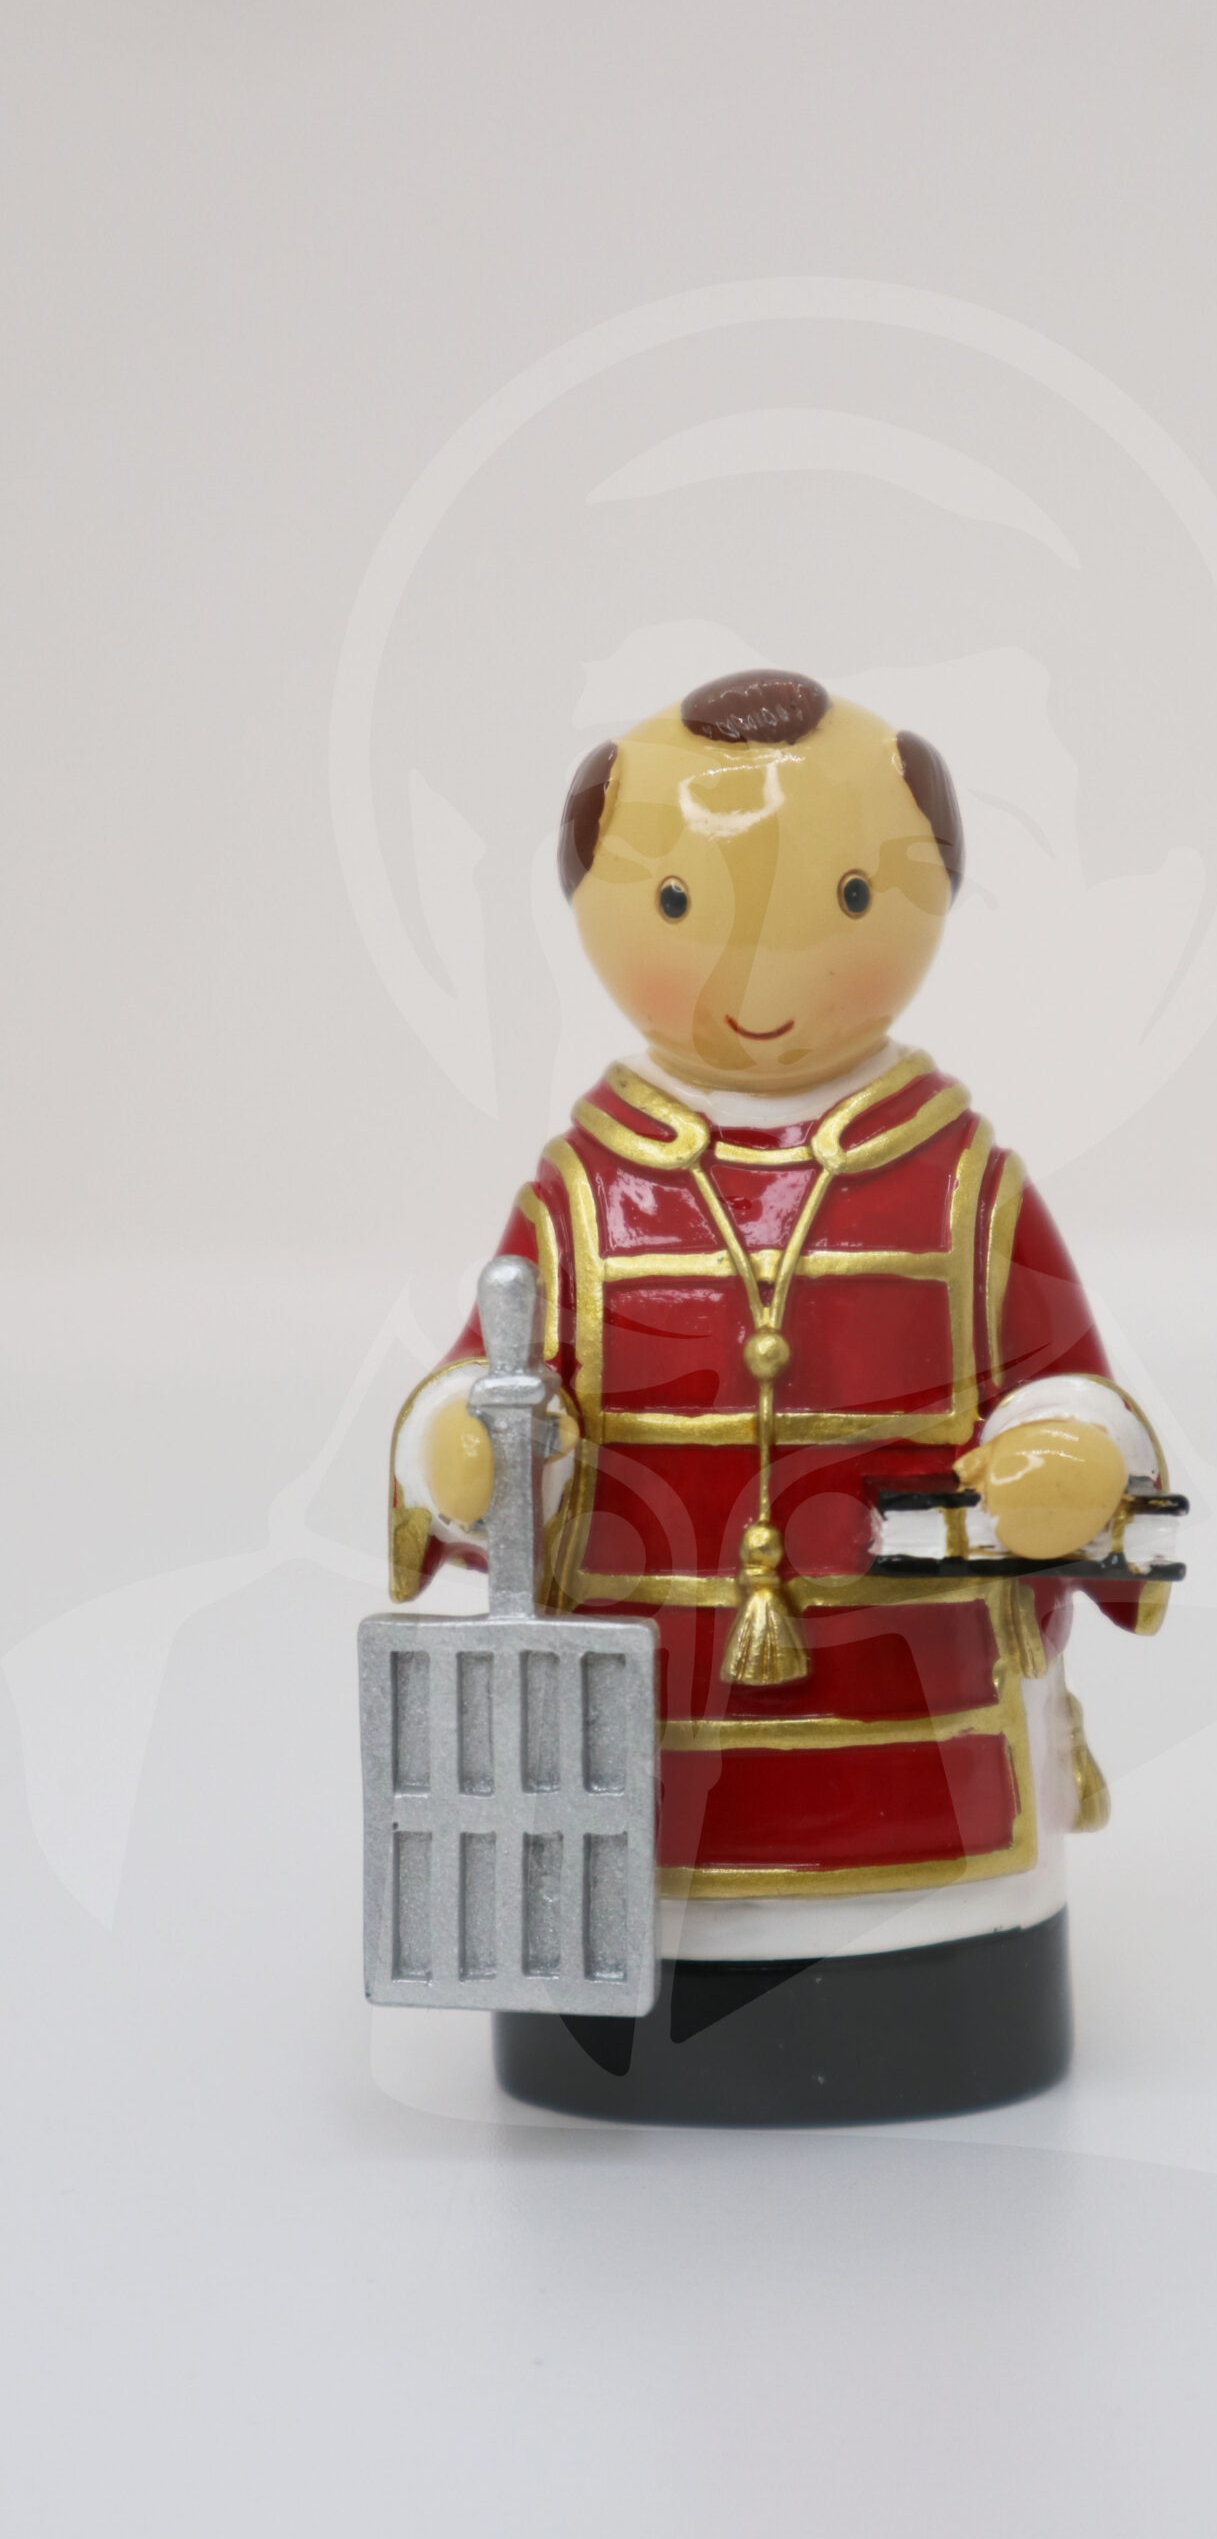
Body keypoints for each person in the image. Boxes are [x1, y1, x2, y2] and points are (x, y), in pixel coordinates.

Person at [388, 668, 1169, 2122]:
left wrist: (1063, 1455)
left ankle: (930, 1992)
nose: (758, 977)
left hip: (925, 1733)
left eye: (848, 899)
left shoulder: (965, 1185)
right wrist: (466, 1453)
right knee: (632, 1859)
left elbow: (1078, 1396)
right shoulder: (582, 1197)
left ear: (931, 895)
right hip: (634, 1763)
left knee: (932, 1890)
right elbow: (472, 1396)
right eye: (683, 906)